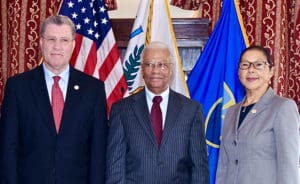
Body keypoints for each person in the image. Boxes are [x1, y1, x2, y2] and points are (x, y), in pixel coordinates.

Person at [0, 15, 108, 184]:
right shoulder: (17, 87)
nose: (57, 46)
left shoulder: (93, 90)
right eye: (51, 39)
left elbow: (98, 152)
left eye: (64, 40)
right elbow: (8, 149)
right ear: (41, 43)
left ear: (73, 45)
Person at [106, 41, 209, 184]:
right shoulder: (122, 110)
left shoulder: (191, 110)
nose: (155, 71)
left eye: (162, 65)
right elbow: (115, 166)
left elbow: (199, 167)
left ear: (171, 69)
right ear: (142, 69)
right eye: (149, 64)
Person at [216, 45, 300, 184]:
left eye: (259, 64)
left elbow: (289, 165)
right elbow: (224, 164)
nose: (251, 70)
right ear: (238, 72)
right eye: (245, 65)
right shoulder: (232, 111)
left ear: (271, 71)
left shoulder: (283, 107)